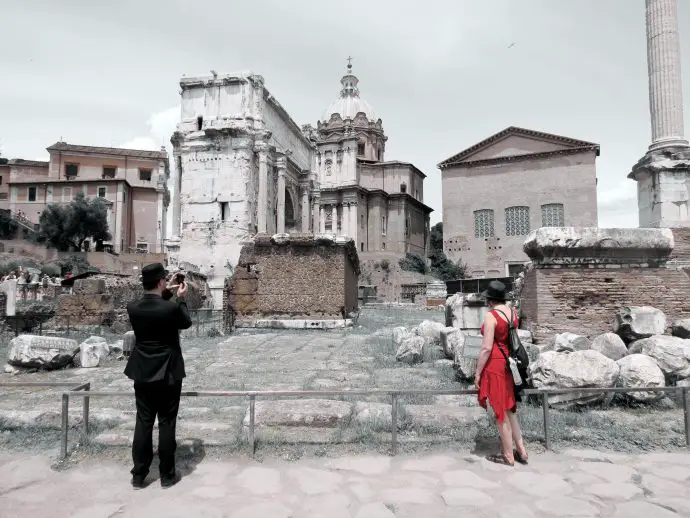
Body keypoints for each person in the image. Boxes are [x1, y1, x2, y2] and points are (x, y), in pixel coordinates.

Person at [124, 262, 192, 489]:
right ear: (162, 282)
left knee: (143, 421)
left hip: (142, 370)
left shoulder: (132, 307)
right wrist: (180, 297)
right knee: (166, 422)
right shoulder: (171, 308)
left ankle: (139, 474)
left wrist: (165, 291)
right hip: (169, 372)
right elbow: (185, 322)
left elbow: (151, 303)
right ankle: (167, 475)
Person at [474, 280, 528, 466]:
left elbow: (486, 348)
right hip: (510, 364)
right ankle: (521, 449)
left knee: (501, 413)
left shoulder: (491, 316)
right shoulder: (512, 312)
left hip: (495, 365)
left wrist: (478, 373)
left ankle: (508, 456)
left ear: (490, 299)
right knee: (509, 409)